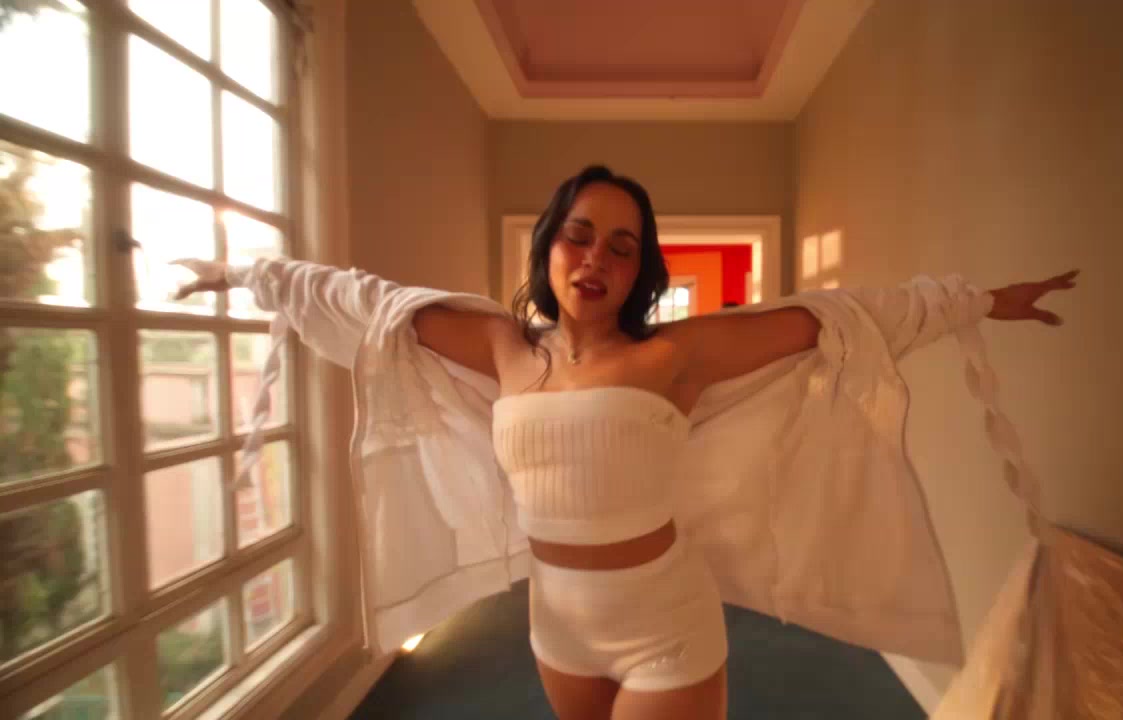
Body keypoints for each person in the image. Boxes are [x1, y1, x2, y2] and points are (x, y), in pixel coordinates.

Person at [176, 165, 1076, 720]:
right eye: (578, 237)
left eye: (620, 246)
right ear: (549, 248)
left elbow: (841, 319)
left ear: (639, 268)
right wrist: (248, 274)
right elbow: (366, 302)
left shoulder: (674, 356)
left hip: (665, 627)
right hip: (556, 627)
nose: (595, 260)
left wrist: (981, 301)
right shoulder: (502, 347)